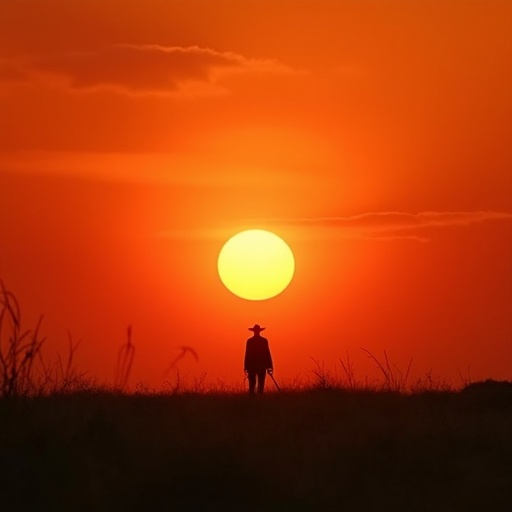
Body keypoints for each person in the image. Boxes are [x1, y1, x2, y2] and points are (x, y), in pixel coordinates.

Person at [244, 324, 273, 394]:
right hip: (257, 365)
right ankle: (255, 398)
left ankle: (254, 398)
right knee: (254, 383)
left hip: (257, 365)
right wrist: (270, 366)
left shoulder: (251, 341)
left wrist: (270, 366)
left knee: (259, 383)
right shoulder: (261, 341)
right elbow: (247, 354)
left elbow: (267, 353)